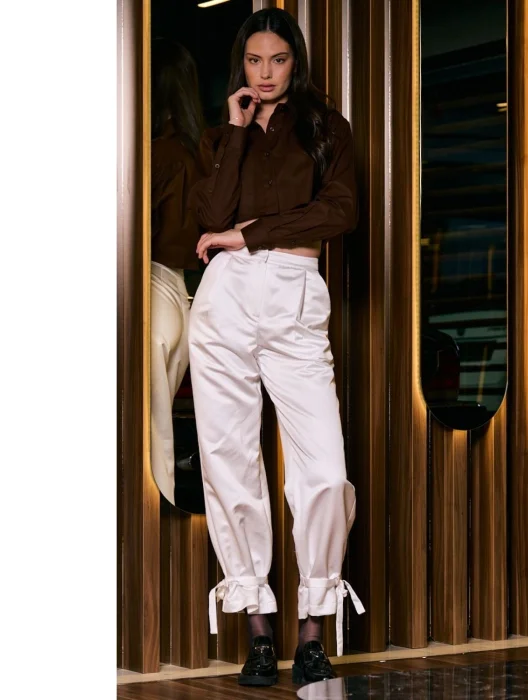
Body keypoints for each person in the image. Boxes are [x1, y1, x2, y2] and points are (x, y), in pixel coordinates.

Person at [187, 8, 363, 687]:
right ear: (242, 64)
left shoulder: (326, 128)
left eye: (278, 60)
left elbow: (339, 212)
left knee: (324, 471)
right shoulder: (222, 134)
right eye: (254, 61)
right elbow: (210, 217)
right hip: (225, 301)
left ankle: (313, 629)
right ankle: (258, 629)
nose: (265, 74)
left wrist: (249, 232)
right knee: (229, 462)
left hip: (293, 292)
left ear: (297, 62)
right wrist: (235, 132)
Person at [150, 38, 205, 506]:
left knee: (145, 440)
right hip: (182, 294)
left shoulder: (153, 155)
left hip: (148, 287)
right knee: (158, 432)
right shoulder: (200, 154)